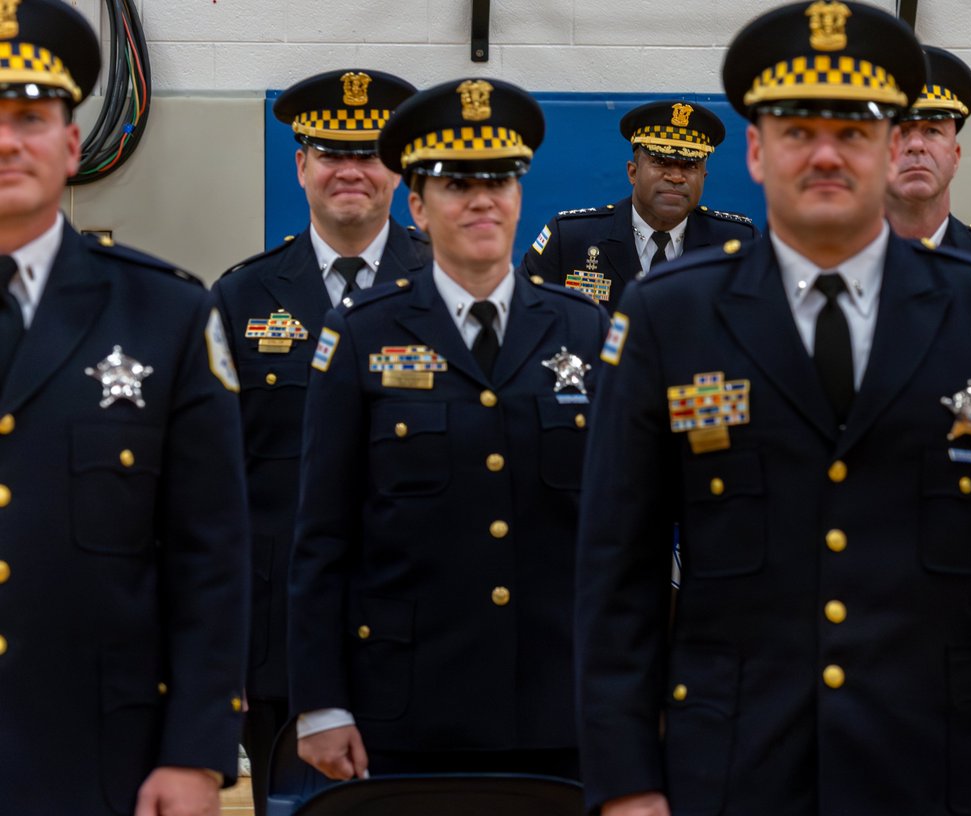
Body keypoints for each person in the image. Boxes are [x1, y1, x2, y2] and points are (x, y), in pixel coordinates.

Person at [575, 3, 971, 815]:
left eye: (852, 131)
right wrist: (626, 780)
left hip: (938, 766)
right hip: (731, 772)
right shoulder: (669, 315)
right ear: (755, 150)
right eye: (797, 130)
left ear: (888, 146)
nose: (824, 154)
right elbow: (618, 569)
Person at [289, 77, 609, 782]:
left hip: (560, 706)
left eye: (499, 181)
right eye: (457, 184)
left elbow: (620, 533)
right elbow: (322, 535)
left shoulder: (585, 330)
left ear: (519, 196)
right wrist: (320, 702)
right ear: (418, 206)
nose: (482, 200)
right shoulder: (361, 334)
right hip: (408, 709)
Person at [0, 2, 251, 814]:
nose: (7, 142)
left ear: (72, 145)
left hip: (101, 761)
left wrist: (197, 753)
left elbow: (210, 553)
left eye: (30, 118)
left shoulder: (165, 314)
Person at [211, 67, 425, 813]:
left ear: (397, 169)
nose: (351, 170)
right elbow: (213, 490)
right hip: (279, 642)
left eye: (370, 154)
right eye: (332, 153)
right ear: (300, 165)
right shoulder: (240, 297)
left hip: (425, 626)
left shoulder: (448, 283)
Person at [520, 99, 757, 312]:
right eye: (661, 161)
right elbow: (524, 317)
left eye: (690, 166)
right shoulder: (570, 238)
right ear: (633, 173)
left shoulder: (740, 244)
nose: (676, 177)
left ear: (703, 178)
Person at [886, 45, 971, 255]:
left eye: (932, 131)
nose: (916, 145)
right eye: (901, 132)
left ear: (956, 157)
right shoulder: (837, 260)